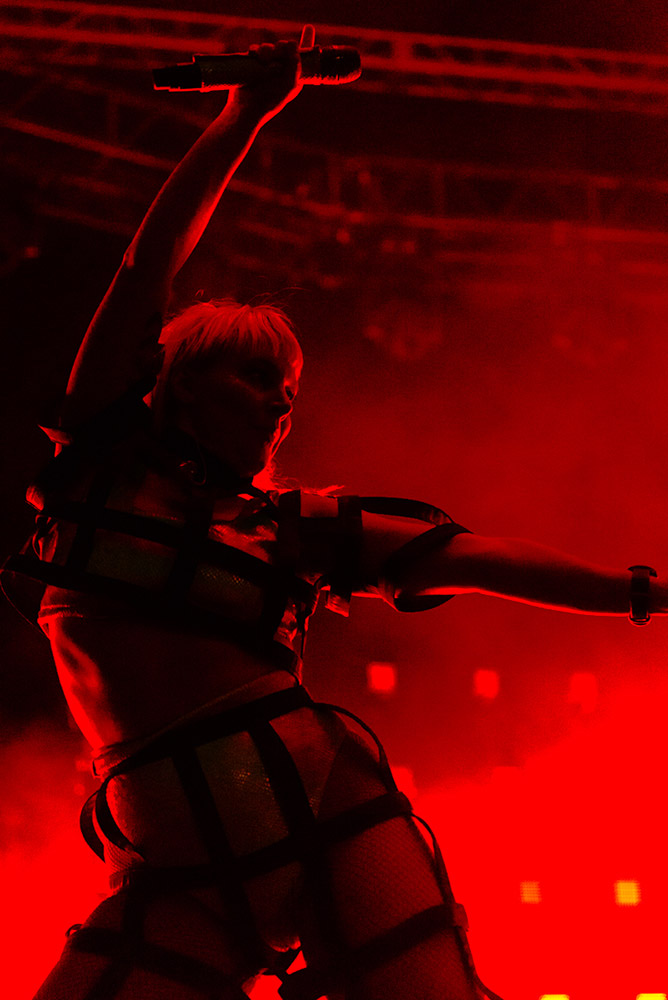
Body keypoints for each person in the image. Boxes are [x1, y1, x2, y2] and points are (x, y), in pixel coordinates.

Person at [4, 26, 667, 1000]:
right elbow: (144, 266)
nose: (277, 399)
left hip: (323, 811)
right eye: (254, 374)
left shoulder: (296, 527)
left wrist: (643, 594)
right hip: (177, 858)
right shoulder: (99, 462)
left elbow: (481, 556)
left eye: (289, 388)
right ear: (175, 383)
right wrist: (242, 119)